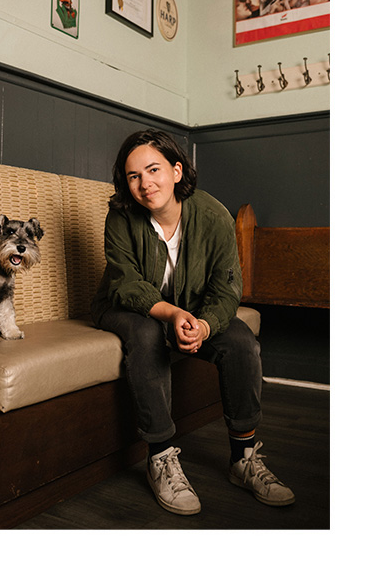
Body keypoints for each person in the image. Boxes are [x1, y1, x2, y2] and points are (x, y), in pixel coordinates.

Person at [90, 130, 294, 516]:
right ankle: (161, 456)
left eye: (154, 170)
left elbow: (227, 288)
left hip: (193, 309)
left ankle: (243, 458)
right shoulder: (120, 217)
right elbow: (125, 281)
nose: (145, 183)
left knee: (240, 341)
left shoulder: (213, 215)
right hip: (124, 307)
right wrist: (170, 313)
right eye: (133, 176)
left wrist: (202, 324)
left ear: (177, 170)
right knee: (149, 332)